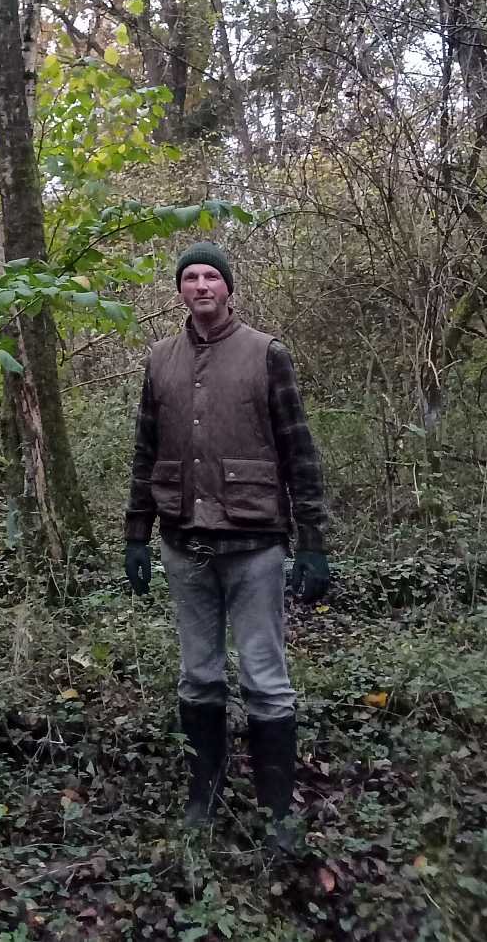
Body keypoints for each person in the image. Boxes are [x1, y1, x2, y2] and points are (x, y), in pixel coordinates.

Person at [122, 242, 330, 840]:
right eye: (191, 276)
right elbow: (145, 453)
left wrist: (312, 543)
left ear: (229, 287)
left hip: (256, 545)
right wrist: (137, 534)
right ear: (180, 289)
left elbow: (299, 452)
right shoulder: (160, 359)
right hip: (183, 545)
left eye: (212, 275)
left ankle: (277, 814)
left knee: (265, 677)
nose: (202, 285)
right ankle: (202, 801)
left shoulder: (267, 354)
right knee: (199, 675)